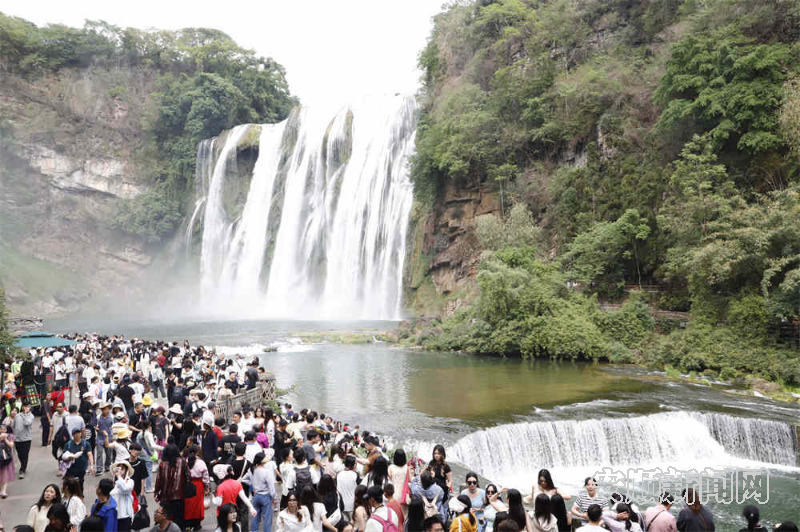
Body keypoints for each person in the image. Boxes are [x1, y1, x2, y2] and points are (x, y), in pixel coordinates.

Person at [153, 444, 187, 531]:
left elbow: (159, 479)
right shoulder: (182, 462)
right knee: (179, 518)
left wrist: (156, 491)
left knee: (165, 517)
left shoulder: (162, 464)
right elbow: (188, 476)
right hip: (179, 495)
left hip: (166, 496)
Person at [250, 451, 277, 532]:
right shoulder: (266, 472)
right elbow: (271, 487)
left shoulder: (252, 470)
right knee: (267, 518)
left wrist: (253, 486)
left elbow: (245, 479)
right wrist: (274, 497)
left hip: (256, 495)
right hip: (265, 496)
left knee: (255, 516)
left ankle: (254, 530)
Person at [11, 402, 33, 479]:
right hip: (17, 439)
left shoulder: (31, 416)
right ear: (23, 407)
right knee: (20, 455)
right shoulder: (17, 416)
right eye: (26, 406)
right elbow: (13, 426)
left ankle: (22, 470)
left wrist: (25, 414)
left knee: (25, 455)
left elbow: (27, 423)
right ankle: (23, 466)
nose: (27, 408)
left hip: (27, 439)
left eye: (29, 407)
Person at [110, 461, 135, 531]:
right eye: (118, 468)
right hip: (114, 515)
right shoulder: (113, 483)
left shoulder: (130, 481)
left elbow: (125, 489)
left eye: (122, 468)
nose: (119, 470)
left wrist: (119, 476)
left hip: (124, 516)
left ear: (126, 470)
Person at [337, 455, 358, 521]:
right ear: (353, 465)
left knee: (345, 524)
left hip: (341, 504)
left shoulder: (339, 474)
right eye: (355, 463)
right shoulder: (355, 475)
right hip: (352, 504)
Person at [95, 403, 114, 475]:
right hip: (100, 437)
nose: (105, 411)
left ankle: (107, 466)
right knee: (99, 453)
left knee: (108, 454)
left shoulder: (112, 417)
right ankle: (99, 469)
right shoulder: (98, 417)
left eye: (106, 409)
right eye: (103, 409)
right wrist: (97, 428)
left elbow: (113, 427)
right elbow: (96, 426)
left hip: (108, 438)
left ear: (108, 409)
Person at [0, 424, 16, 499]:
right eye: (1, 429)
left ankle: (3, 491)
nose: (2, 430)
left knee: (5, 474)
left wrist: (5, 439)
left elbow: (11, 445)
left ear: (6, 430)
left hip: (6, 459)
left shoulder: (10, 436)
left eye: (4, 429)